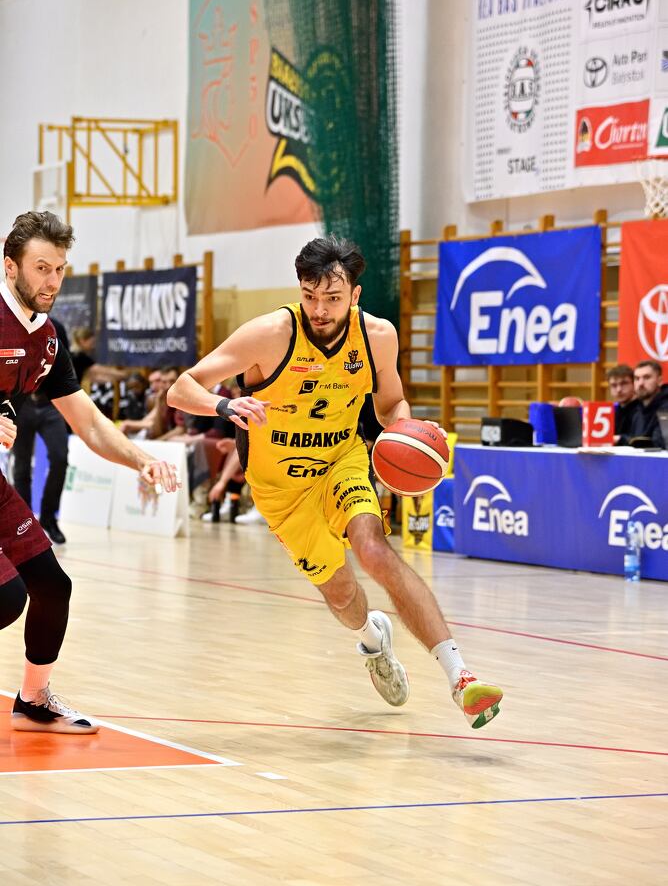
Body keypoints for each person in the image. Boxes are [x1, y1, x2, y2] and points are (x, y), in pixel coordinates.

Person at [168, 235, 503, 729]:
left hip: (341, 462)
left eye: (332, 297)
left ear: (355, 294)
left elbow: (391, 403)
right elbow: (181, 388)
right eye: (310, 296)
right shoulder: (270, 334)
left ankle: (460, 677)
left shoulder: (377, 337)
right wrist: (223, 404)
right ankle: (373, 640)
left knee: (373, 549)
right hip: (280, 491)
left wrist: (403, 432)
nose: (320, 310)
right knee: (343, 597)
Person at [1, 211, 179, 735]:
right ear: (10, 267)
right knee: (6, 598)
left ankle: (33, 701)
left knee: (52, 585)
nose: (52, 281)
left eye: (59, 269)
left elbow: (89, 421)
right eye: (41, 267)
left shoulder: (48, 338)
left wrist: (141, 459)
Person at [12, 314, 72, 545]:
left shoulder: (56, 327)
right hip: (22, 403)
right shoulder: (12, 324)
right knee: (21, 465)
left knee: (60, 458)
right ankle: (25, 524)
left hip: (50, 404)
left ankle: (48, 517)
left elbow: (64, 368)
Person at [618, 360, 668, 448]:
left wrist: (622, 439)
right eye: (637, 379)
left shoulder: (665, 408)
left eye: (647, 377)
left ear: (660, 381)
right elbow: (635, 440)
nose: (640, 383)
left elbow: (659, 444)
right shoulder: (637, 410)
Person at [606, 364, 636, 440]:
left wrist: (618, 439)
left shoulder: (642, 410)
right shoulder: (615, 411)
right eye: (614, 385)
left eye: (624, 383)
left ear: (634, 384)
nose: (619, 389)